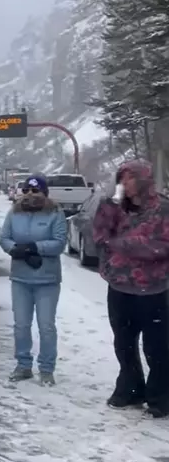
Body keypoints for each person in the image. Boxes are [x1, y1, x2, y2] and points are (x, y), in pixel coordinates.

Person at [93, 159, 169, 418]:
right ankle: (130, 389)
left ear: (144, 179)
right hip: (120, 287)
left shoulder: (163, 209)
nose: (125, 182)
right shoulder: (114, 208)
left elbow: (161, 245)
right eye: (122, 177)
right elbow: (100, 237)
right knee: (123, 344)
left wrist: (125, 244)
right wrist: (109, 206)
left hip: (154, 290)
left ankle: (159, 397)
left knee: (157, 348)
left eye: (131, 177)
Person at [0, 175, 67, 386]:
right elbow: (4, 238)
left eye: (35, 190)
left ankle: (46, 369)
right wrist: (15, 250)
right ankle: (23, 365)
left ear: (44, 193)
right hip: (20, 278)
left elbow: (59, 242)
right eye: (27, 190)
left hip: (47, 280)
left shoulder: (55, 213)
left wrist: (36, 248)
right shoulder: (14, 213)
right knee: (21, 325)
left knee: (46, 326)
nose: (30, 194)